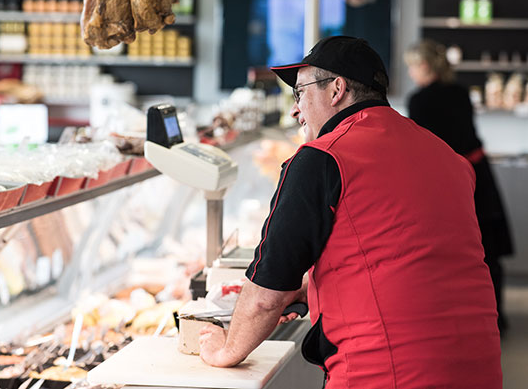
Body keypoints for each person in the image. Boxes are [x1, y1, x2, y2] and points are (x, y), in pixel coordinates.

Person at [199, 36, 501, 389]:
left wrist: (226, 350)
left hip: (388, 373)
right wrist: (311, 286)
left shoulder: (322, 157)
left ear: (336, 89)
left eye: (300, 94)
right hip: (479, 367)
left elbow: (267, 295)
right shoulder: (446, 155)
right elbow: (410, 250)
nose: (296, 111)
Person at [404, 39, 514, 334]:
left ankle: (460, 319)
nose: (411, 73)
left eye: (412, 67)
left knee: (452, 250)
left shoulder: (420, 100)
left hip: (448, 182)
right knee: (487, 248)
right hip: (479, 175)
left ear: (423, 66)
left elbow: (423, 148)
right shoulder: (461, 92)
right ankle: (496, 318)